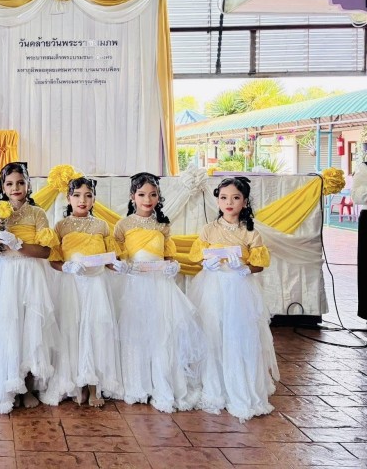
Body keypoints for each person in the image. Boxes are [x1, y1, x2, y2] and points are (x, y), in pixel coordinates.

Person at [188, 176, 279, 421]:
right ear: (218, 201)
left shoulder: (250, 232)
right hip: (213, 287)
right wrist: (207, 263)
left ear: (245, 202)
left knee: (239, 336)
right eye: (224, 197)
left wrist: (244, 268)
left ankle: (240, 386)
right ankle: (214, 386)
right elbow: (198, 256)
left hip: (239, 288)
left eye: (236, 198)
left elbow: (259, 264)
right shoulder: (209, 229)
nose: (229, 202)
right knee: (212, 333)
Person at [113, 172, 205, 413]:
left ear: (158, 197)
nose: (147, 199)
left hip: (159, 286)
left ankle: (162, 384)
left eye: (153, 194)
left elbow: (168, 256)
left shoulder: (162, 225)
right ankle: (137, 384)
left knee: (163, 333)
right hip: (135, 285)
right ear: (132, 196)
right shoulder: (123, 225)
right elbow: (116, 256)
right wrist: (123, 266)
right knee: (136, 332)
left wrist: (172, 266)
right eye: (142, 194)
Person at [0, 162, 59, 413]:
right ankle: (8, 383)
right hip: (6, 275)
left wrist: (18, 244)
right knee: (7, 325)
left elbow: (45, 251)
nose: (15, 188)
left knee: (31, 326)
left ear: (28, 184)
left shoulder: (37, 213)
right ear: (2, 187)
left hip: (31, 274)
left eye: (20, 182)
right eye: (9, 184)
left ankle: (29, 386)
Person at [41, 177, 122, 408]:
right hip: (71, 286)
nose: (82, 200)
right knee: (72, 329)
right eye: (76, 195)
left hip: (96, 285)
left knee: (95, 329)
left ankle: (94, 386)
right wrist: (67, 267)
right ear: (68, 198)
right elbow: (54, 260)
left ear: (94, 199)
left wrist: (120, 266)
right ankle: (77, 384)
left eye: (88, 195)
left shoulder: (102, 226)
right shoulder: (61, 226)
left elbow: (110, 260)